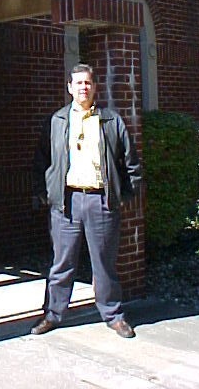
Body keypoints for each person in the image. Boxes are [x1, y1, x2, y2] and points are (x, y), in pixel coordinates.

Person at [31, 63, 141, 338]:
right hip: (66, 203)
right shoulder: (56, 121)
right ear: (69, 88)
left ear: (95, 87)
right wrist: (45, 193)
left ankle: (113, 315)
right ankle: (52, 314)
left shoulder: (111, 121)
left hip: (100, 201)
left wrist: (125, 194)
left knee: (103, 263)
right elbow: (41, 160)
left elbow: (131, 162)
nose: (83, 87)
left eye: (88, 83)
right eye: (78, 83)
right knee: (62, 262)